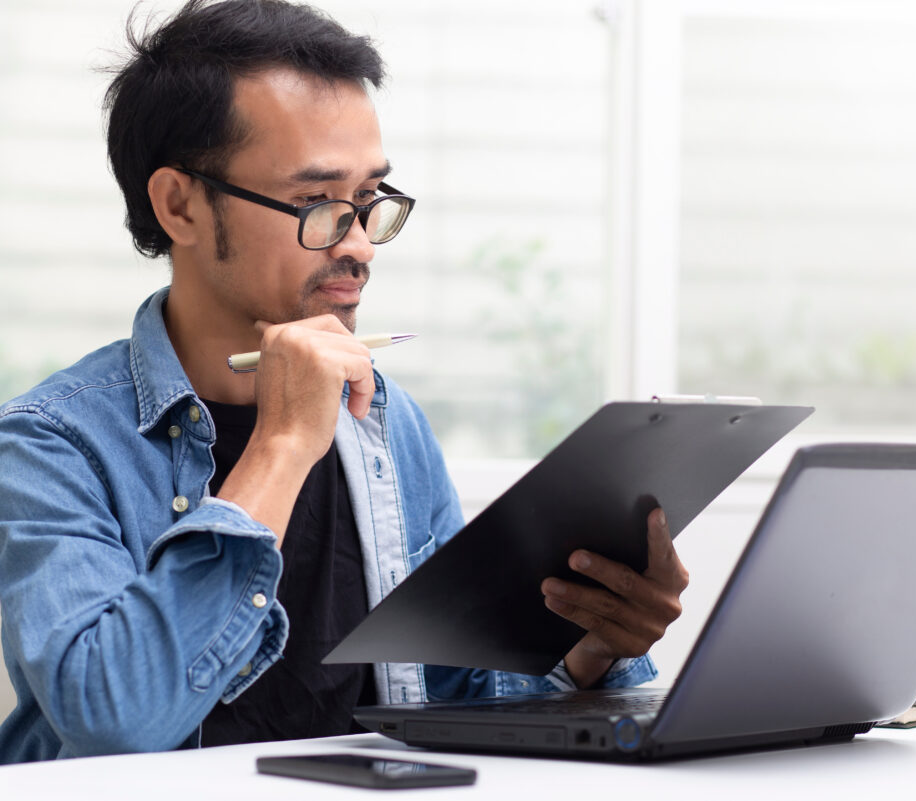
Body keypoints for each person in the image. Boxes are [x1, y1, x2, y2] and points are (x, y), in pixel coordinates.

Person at [0, 0, 689, 763]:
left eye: (369, 201)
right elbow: (113, 716)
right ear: (179, 204)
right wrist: (284, 443)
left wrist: (589, 647)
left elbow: (451, 702)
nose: (359, 244)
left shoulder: (388, 422)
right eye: (317, 204)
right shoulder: (48, 444)